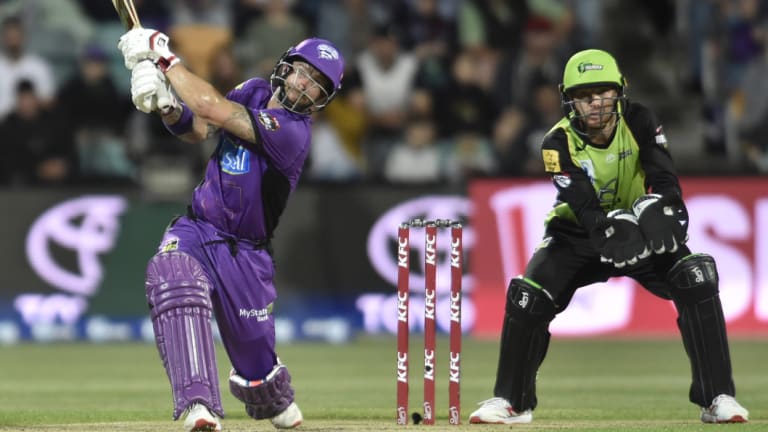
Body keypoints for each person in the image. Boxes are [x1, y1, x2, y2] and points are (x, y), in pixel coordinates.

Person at [468, 49, 749, 425]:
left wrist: (664, 208)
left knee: (695, 278)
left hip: (638, 223)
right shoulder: (557, 142)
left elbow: (664, 178)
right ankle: (510, 402)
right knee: (527, 296)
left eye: (603, 93)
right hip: (578, 233)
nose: (596, 105)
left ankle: (717, 398)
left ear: (620, 93)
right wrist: (605, 228)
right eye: (585, 97)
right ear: (569, 101)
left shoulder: (641, 120)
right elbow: (584, 208)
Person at [117, 27, 344, 431]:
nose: (305, 85)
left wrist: (163, 57)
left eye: (317, 84)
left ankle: (274, 397)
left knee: (261, 380)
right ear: (287, 67)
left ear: (323, 99)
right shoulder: (254, 91)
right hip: (199, 228)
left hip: (246, 254)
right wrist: (169, 108)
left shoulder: (293, 132)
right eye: (303, 72)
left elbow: (211, 107)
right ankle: (198, 405)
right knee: (173, 277)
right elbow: (199, 129)